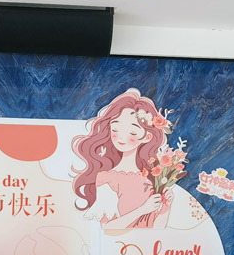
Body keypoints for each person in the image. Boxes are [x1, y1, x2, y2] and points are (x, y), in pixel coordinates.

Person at [72, 89, 173, 230]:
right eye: (115, 129)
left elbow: (156, 229)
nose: (121, 137)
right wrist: (143, 209)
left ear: (147, 137)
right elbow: (107, 227)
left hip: (148, 244)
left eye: (132, 132)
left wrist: (166, 208)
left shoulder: (153, 178)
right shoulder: (106, 178)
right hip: (118, 243)